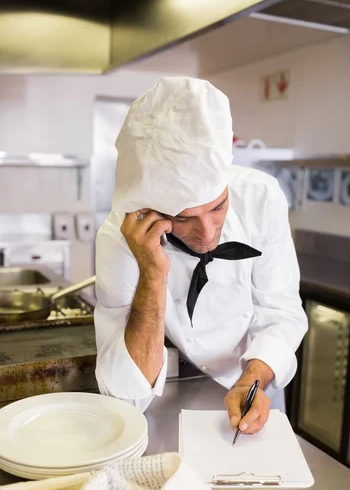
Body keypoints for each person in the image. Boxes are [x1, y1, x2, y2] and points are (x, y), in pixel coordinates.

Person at [94, 77, 308, 437]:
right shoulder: (119, 236)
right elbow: (124, 396)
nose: (207, 233)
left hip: (255, 385)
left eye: (218, 206)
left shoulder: (261, 197)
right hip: (172, 395)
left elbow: (282, 312)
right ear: (149, 210)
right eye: (183, 217)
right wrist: (152, 274)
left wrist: (253, 377)